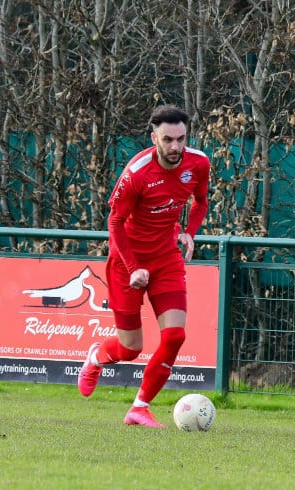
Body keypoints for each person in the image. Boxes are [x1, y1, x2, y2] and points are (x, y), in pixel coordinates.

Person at [77, 104, 210, 428]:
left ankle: (139, 407)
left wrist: (189, 233)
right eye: (168, 140)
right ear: (154, 138)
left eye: (181, 139)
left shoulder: (199, 163)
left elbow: (201, 201)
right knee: (130, 348)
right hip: (127, 263)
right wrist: (134, 266)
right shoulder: (136, 173)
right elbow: (115, 222)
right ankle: (95, 357)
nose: (176, 146)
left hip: (166, 258)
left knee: (175, 335)